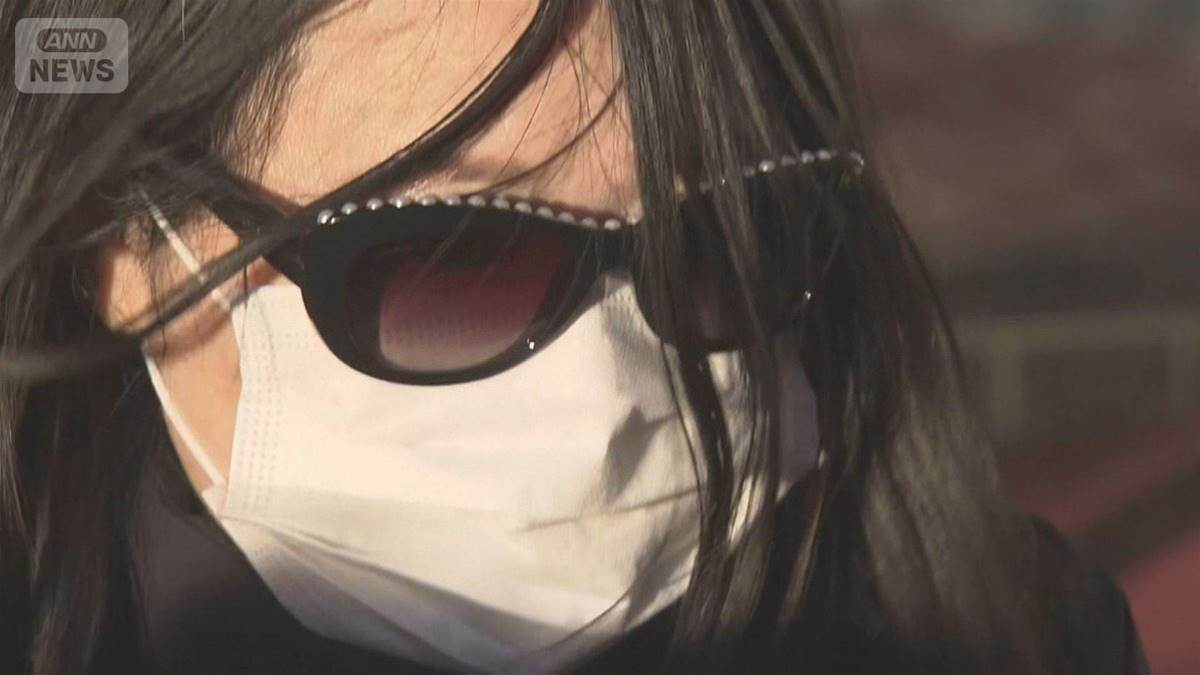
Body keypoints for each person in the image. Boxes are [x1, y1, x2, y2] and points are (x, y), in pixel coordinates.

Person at [0, 1, 1148, 673]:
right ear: (119, 246)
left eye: (728, 235)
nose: (613, 389)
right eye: (458, 259)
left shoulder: (1022, 631)